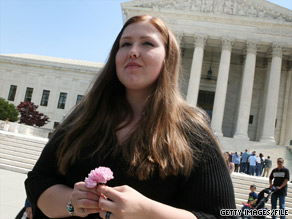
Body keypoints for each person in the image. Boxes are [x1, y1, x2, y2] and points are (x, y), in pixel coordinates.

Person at [25, 15, 236, 219]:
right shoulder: (86, 116)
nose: (133, 52)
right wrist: (73, 202)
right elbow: (39, 182)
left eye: (147, 44)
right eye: (125, 44)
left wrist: (147, 212)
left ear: (168, 57)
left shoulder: (192, 130)